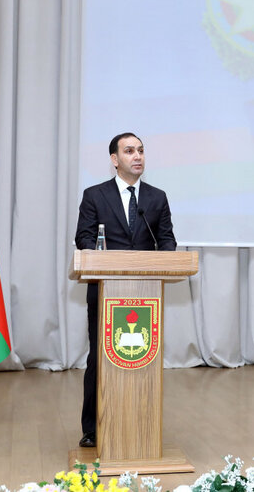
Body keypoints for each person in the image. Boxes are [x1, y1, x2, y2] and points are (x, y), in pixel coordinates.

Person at [74, 132, 176, 448]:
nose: (138, 156)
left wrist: (168, 258)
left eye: (141, 150)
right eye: (129, 151)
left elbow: (167, 239)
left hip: (145, 294)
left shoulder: (156, 198)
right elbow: (84, 238)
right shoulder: (95, 195)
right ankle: (92, 427)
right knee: (100, 358)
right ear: (115, 160)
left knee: (140, 357)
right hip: (106, 290)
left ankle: (141, 421)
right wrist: (101, 257)